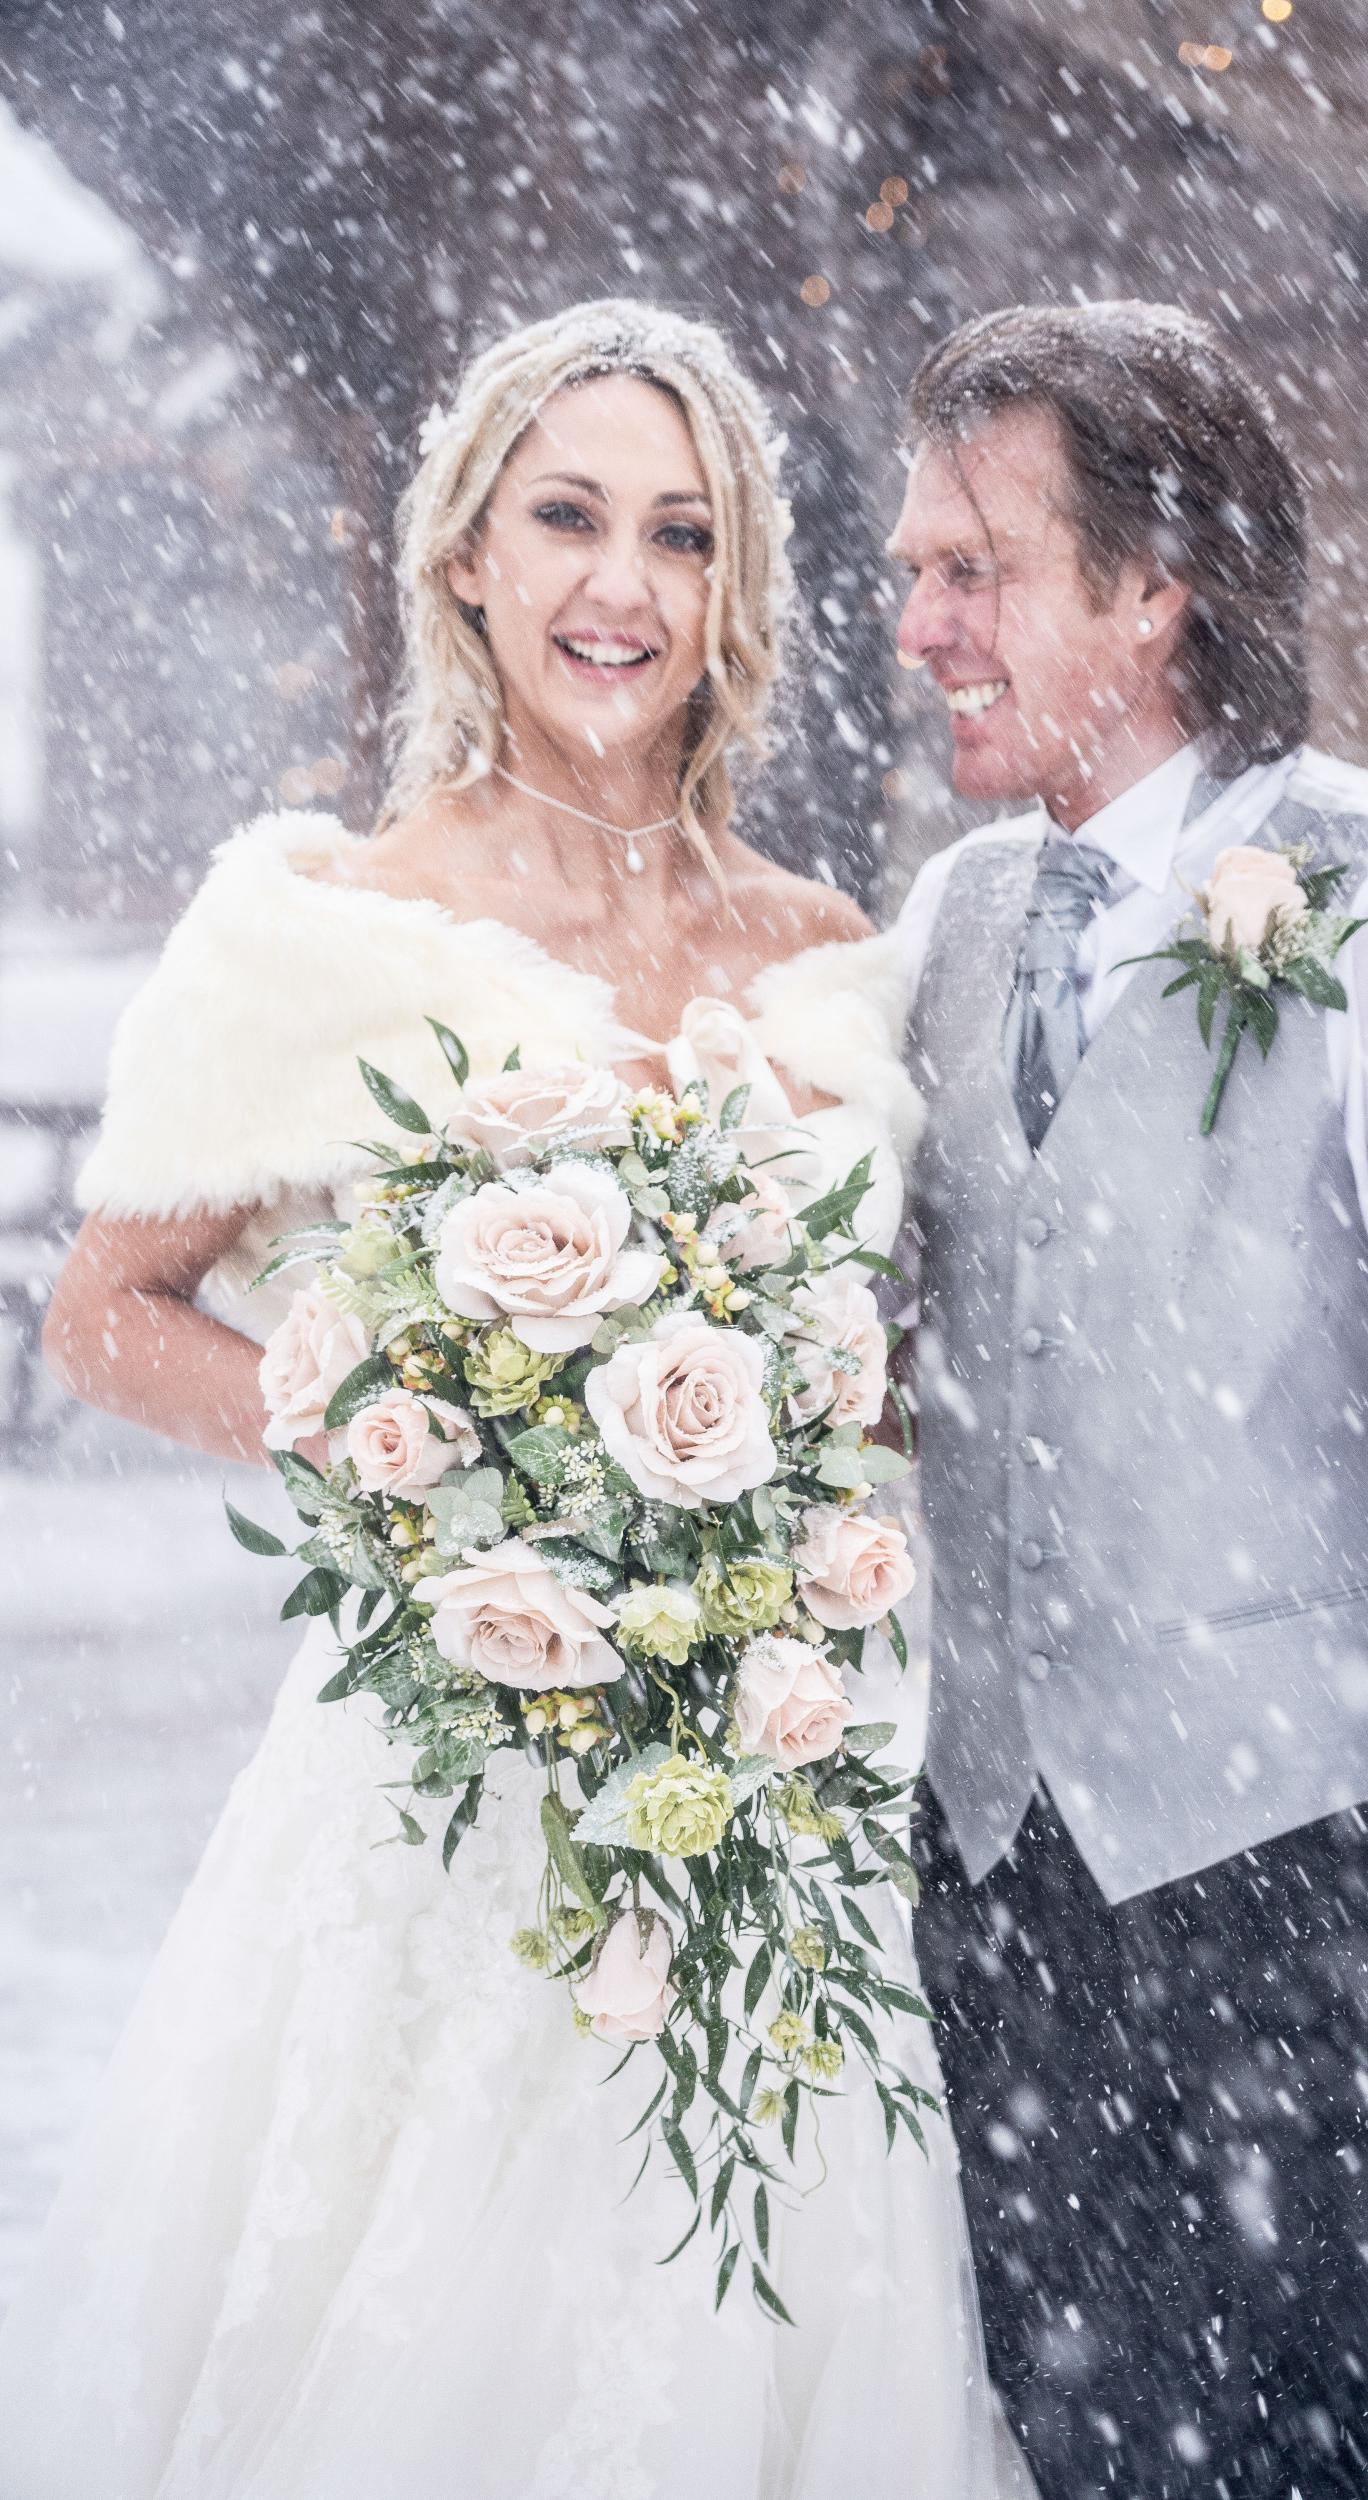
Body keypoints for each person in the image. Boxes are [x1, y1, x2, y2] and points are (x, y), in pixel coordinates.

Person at [0, 300, 1024, 2500]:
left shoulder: (825, 946)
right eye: (567, 517)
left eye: (679, 532)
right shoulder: (332, 925)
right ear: (463, 549)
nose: (619, 586)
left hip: (771, 1812)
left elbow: (890, 1365)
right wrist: (420, 1448)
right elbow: (106, 1307)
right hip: (447, 1802)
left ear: (735, 583)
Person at [886, 300, 1368, 2498]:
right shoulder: (944, 917)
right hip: (1007, 1910)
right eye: (913, 567)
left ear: (1159, 589)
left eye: (976, 567)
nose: (922, 620)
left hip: (1322, 1906)